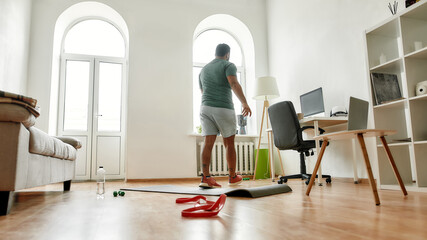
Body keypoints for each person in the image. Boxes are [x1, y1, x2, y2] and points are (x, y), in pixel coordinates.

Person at [198, 43, 252, 188]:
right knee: (229, 143)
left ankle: (205, 178)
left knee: (207, 143)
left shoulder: (203, 70)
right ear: (227, 54)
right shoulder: (228, 65)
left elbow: (203, 92)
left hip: (205, 108)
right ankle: (233, 177)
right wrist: (245, 103)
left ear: (215, 53)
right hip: (223, 107)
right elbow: (233, 83)